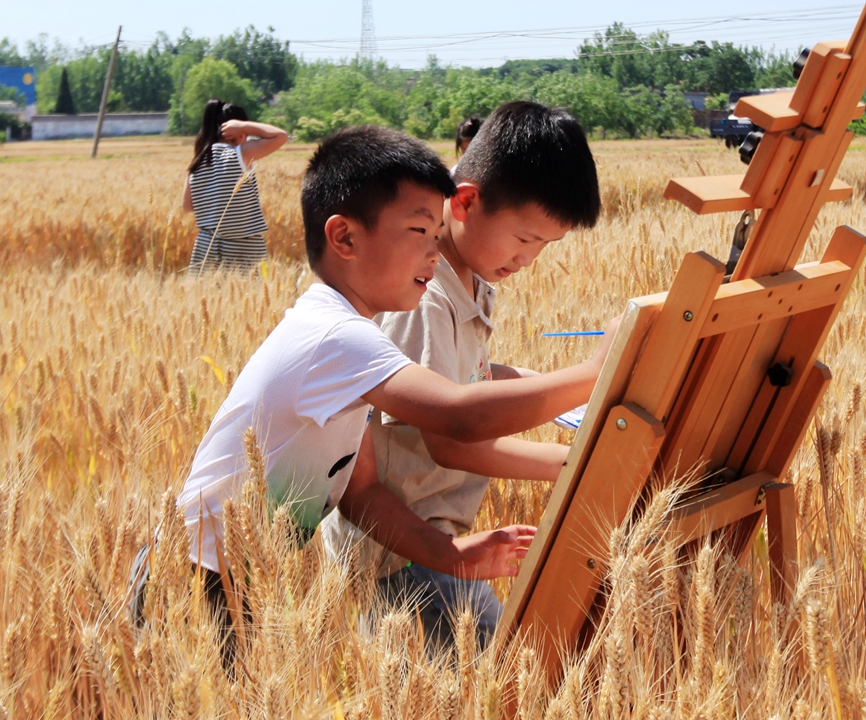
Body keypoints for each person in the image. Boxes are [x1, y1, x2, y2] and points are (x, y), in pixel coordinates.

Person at [134, 126, 617, 653]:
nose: (435, 256)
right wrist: (598, 371)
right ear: (345, 238)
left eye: (438, 235)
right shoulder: (336, 337)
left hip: (240, 574)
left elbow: (361, 495)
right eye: (419, 233)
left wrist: (451, 553)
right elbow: (456, 416)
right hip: (193, 579)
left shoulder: (356, 342)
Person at [320, 101, 601, 648]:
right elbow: (454, 436)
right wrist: (576, 462)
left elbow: (466, 375)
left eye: (545, 245)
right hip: (403, 552)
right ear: (467, 201)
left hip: (430, 541)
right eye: (525, 239)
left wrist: (541, 383)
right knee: (491, 678)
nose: (530, 258)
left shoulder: (469, 273)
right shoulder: (425, 294)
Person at [182, 99, 288, 272]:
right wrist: (245, 125)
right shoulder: (240, 154)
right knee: (250, 296)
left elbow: (187, 206)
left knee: (207, 297)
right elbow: (280, 136)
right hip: (242, 248)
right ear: (237, 133)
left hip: (205, 247)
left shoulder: (197, 161)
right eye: (246, 135)